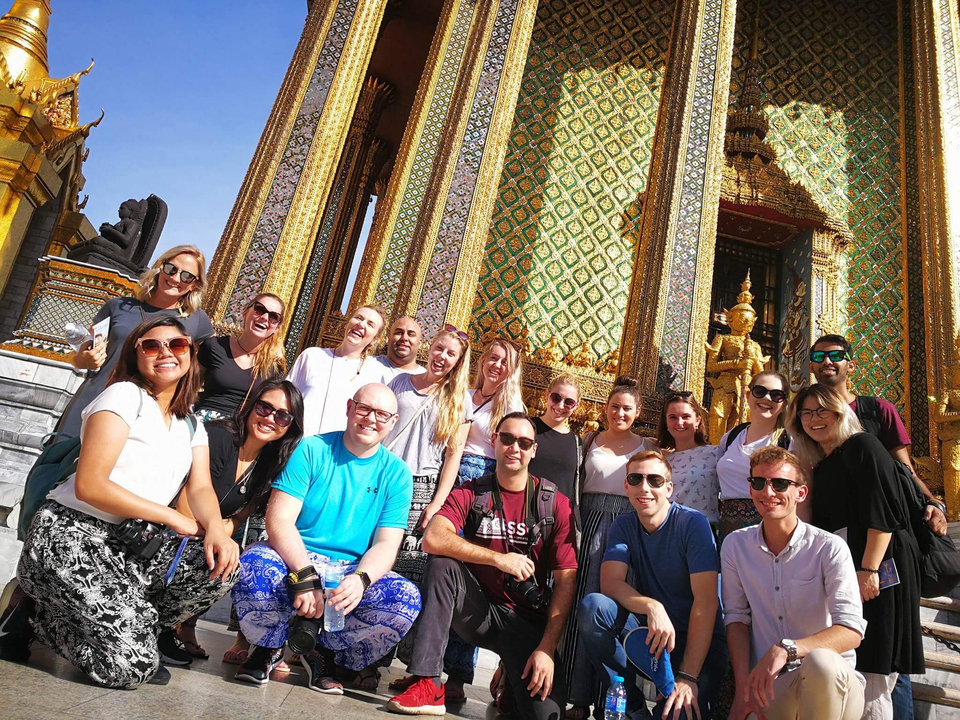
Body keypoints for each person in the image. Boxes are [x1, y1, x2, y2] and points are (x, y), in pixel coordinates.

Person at [7, 316, 238, 688]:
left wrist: (215, 529)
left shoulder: (190, 422)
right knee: (130, 669)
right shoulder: (124, 396)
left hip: (130, 546)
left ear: (191, 355)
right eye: (152, 345)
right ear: (136, 355)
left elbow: (200, 489)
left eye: (176, 345)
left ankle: (131, 629)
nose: (165, 352)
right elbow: (91, 485)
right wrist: (172, 518)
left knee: (219, 564)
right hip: (71, 535)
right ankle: (36, 615)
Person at [386, 413, 578, 720]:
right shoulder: (474, 491)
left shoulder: (554, 503)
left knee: (545, 714)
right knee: (443, 564)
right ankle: (427, 683)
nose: (514, 447)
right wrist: (498, 559)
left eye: (524, 442)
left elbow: (566, 581)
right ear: (494, 441)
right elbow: (432, 538)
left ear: (533, 451)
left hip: (524, 620)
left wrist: (546, 648)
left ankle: (511, 684)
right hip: (479, 612)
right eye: (507, 438)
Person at [231, 383, 421, 694]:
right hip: (296, 556)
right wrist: (305, 575)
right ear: (349, 407)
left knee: (405, 598)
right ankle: (269, 646)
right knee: (254, 563)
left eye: (381, 414)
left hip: (349, 568)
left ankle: (325, 652)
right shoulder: (312, 449)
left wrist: (361, 579)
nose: (371, 419)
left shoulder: (397, 473)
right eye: (364, 408)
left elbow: (387, 544)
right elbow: (279, 520)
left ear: (393, 421)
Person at [787, 384, 924, 719]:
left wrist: (869, 569)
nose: (814, 419)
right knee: (856, 664)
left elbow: (884, 514)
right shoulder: (829, 458)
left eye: (822, 410)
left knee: (874, 668)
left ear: (840, 411)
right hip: (851, 566)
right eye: (806, 413)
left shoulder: (863, 445)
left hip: (879, 566)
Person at [356, 328, 471, 693]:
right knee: (369, 562)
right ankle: (361, 658)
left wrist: (438, 503)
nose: (442, 356)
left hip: (421, 487)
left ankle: (393, 661)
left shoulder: (459, 401)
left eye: (451, 354)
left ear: (457, 361)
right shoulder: (400, 382)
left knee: (405, 575)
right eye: (439, 348)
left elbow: (453, 458)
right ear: (429, 347)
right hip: (383, 479)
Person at [578, 450, 728, 719]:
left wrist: (687, 676)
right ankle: (632, 706)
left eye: (655, 480)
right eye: (635, 479)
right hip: (651, 635)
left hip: (698, 641)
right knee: (594, 608)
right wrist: (652, 606)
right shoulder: (624, 525)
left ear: (669, 488)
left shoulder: (693, 524)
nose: (644, 487)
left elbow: (706, 601)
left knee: (679, 713)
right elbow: (610, 583)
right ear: (626, 486)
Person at [721, 446, 866, 720]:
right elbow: (737, 620)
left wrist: (787, 649)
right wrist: (743, 689)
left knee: (820, 662)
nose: (768, 492)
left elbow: (851, 631)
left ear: (800, 493)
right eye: (759, 482)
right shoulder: (735, 546)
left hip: (835, 686)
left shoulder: (829, 548)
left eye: (780, 483)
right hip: (773, 686)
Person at [176, 379, 304, 664]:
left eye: (281, 415)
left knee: (230, 559)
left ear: (290, 426)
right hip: (170, 529)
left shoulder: (271, 462)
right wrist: (217, 533)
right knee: (217, 552)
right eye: (264, 407)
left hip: (206, 533)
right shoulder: (219, 437)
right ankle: (166, 625)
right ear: (250, 406)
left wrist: (222, 533)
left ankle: (182, 625)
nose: (270, 418)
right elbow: (185, 505)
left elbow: (243, 514)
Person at [562, 375, 654, 720]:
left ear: (637, 412)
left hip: (625, 532)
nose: (620, 413)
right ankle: (577, 696)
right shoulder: (587, 441)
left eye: (627, 409)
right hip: (588, 528)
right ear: (606, 408)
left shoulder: (647, 446)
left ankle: (610, 699)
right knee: (579, 611)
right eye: (614, 407)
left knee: (612, 612)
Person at [57, 245, 214, 438]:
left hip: (148, 413)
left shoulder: (197, 321)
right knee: (63, 463)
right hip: (96, 398)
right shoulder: (118, 307)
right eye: (171, 269)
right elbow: (77, 356)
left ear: (195, 285)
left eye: (186, 276)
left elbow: (212, 365)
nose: (175, 278)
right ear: (159, 268)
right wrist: (85, 360)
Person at [809, 334, 946, 537]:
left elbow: (904, 469)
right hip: (825, 521)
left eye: (836, 355)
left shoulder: (878, 410)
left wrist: (932, 501)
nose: (827, 361)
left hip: (877, 521)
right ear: (811, 367)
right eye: (819, 357)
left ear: (851, 365)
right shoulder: (803, 416)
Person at [287, 304, 387, 436]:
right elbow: (287, 399)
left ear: (375, 339)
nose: (361, 324)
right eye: (358, 318)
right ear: (347, 324)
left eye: (370, 324)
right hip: (296, 443)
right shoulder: (312, 356)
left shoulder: (374, 372)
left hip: (336, 450)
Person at [716, 369, 791, 542]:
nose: (766, 398)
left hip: (769, 527)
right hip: (728, 526)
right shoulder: (732, 436)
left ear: (784, 404)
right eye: (760, 391)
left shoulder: (787, 441)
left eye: (776, 395)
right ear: (748, 395)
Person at [194, 293, 287, 422]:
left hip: (239, 431)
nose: (265, 318)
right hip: (204, 421)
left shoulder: (274, 367)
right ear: (245, 313)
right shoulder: (215, 346)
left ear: (277, 328)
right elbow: (189, 389)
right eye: (259, 310)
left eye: (274, 317)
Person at [657, 392, 720, 524]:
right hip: (667, 530)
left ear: (698, 420)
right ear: (666, 422)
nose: (679, 423)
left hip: (702, 530)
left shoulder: (716, 454)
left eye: (686, 417)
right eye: (673, 417)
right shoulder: (661, 461)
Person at [528, 373, 583, 500]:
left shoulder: (577, 443)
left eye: (569, 402)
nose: (560, 406)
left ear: (576, 406)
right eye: (556, 397)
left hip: (556, 515)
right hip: (523, 509)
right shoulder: (527, 428)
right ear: (547, 394)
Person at [376, 316, 426, 383]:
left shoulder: (425, 378)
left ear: (419, 344)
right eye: (399, 333)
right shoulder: (368, 365)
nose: (404, 338)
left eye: (411, 334)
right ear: (388, 339)